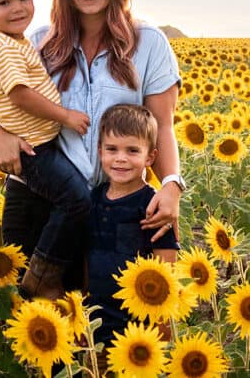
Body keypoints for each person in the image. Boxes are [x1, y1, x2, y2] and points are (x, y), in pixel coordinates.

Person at [0, 0, 185, 294]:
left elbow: (162, 126)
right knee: (43, 325)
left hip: (115, 202)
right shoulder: (36, 41)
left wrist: (171, 185)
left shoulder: (149, 43)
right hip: (44, 202)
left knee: (115, 322)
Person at [0, 0, 93, 300]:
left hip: (42, 146)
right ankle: (43, 275)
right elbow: (18, 95)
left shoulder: (16, 41)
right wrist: (65, 116)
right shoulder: (4, 46)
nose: (18, 8)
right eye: (4, 2)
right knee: (77, 200)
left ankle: (42, 276)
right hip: (35, 151)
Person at [87, 104, 178, 348]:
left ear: (150, 157)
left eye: (132, 151)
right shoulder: (92, 199)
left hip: (135, 325)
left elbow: (166, 264)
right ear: (100, 152)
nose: (120, 158)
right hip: (93, 320)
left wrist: (162, 323)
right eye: (112, 149)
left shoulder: (151, 204)